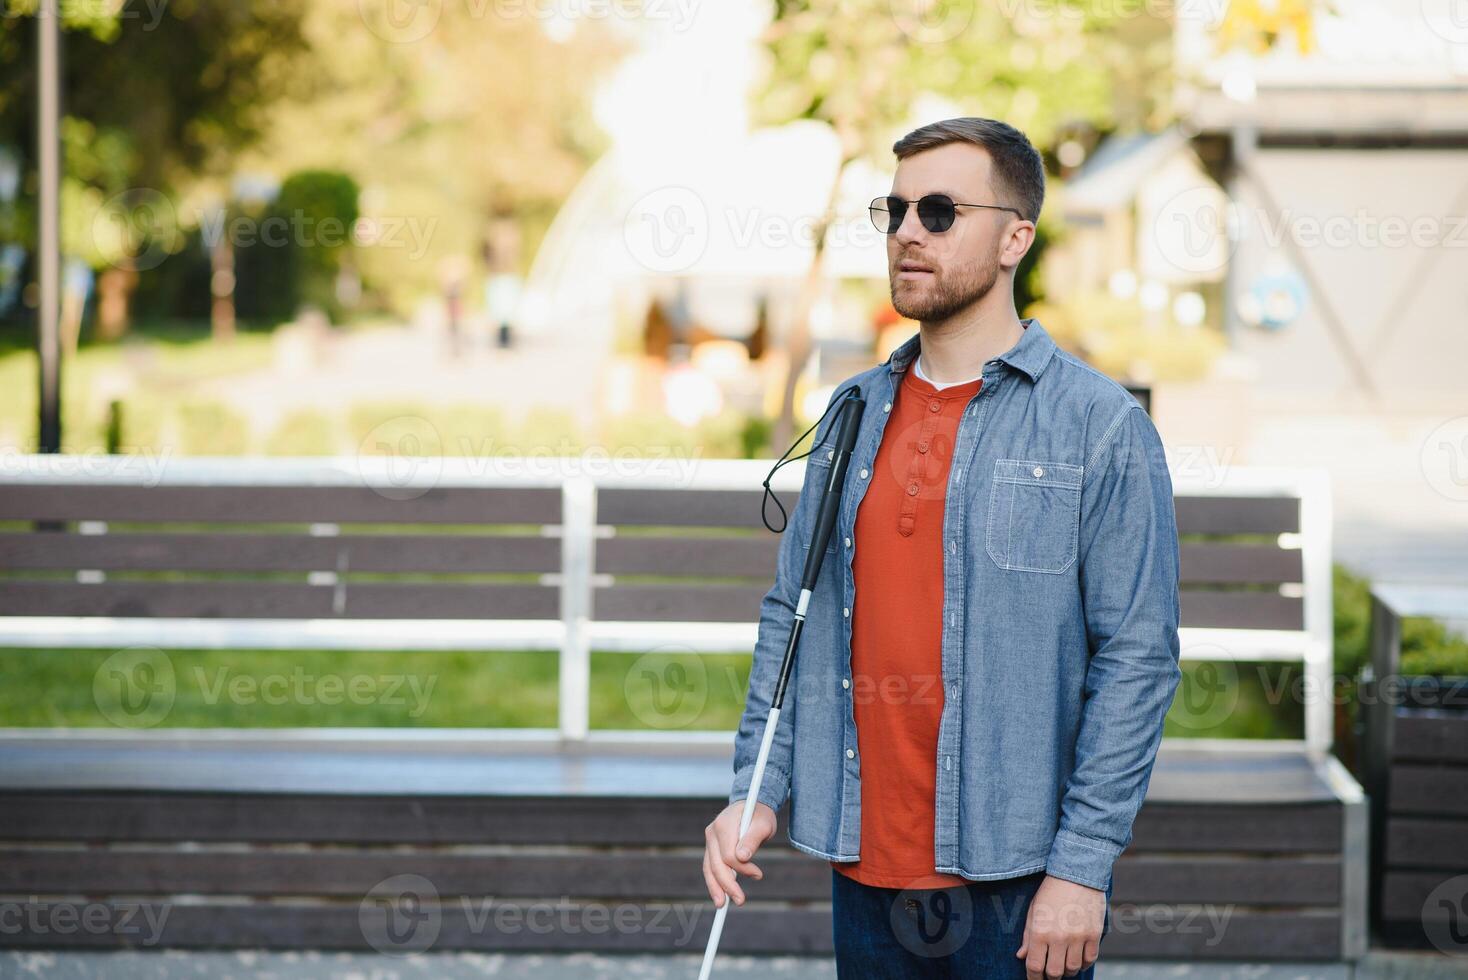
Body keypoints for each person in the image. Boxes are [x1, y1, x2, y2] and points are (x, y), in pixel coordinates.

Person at [701, 117, 1182, 979]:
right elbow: (794, 614)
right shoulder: (852, 412)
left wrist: (1082, 867)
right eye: (894, 211)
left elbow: (1138, 658)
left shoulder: (1098, 425)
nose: (907, 233)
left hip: (1017, 880)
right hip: (863, 866)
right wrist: (756, 788)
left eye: (938, 210)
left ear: (1015, 238)